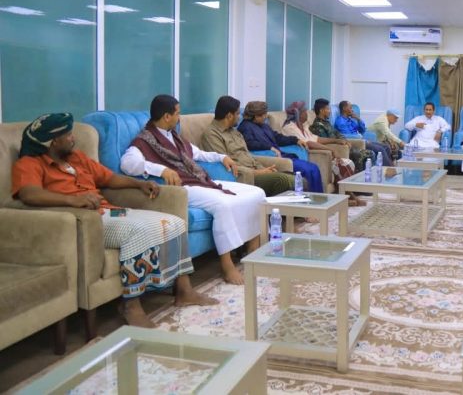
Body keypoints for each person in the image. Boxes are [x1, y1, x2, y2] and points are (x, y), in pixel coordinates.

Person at [12, 113, 217, 327]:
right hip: (88, 221)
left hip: (110, 212)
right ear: (54, 141)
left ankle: (184, 291)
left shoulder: (76, 158)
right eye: (68, 135)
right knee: (137, 231)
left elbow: (109, 178)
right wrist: (73, 200)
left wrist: (138, 184)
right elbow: (29, 194)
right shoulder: (30, 163)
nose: (73, 138)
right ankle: (131, 306)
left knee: (174, 222)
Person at [121, 94, 267, 285]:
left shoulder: (174, 136)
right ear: (166, 116)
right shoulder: (144, 140)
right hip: (181, 188)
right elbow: (127, 163)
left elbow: (197, 153)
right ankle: (227, 265)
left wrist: (221, 157)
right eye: (177, 113)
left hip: (198, 179)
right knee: (223, 205)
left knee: (256, 193)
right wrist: (161, 170)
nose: (179, 117)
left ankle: (253, 249)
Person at [235, 99, 324, 193]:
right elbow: (249, 143)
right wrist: (269, 147)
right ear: (255, 116)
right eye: (263, 114)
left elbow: (277, 137)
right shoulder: (245, 127)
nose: (265, 116)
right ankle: (310, 198)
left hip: (282, 155)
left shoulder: (264, 126)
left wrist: (295, 140)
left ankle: (317, 197)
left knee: (313, 167)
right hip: (271, 157)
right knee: (308, 170)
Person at [309, 98, 372, 171]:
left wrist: (344, 140)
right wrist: (338, 141)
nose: (330, 112)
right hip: (338, 149)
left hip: (343, 146)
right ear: (321, 110)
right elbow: (325, 141)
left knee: (370, 153)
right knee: (367, 154)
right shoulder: (318, 125)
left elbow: (338, 133)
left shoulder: (326, 122)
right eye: (328, 109)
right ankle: (360, 176)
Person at [334, 100, 393, 166]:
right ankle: (388, 169)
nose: (352, 109)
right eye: (350, 107)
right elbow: (347, 136)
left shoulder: (351, 120)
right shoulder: (340, 121)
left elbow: (362, 130)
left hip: (361, 140)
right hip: (354, 142)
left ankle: (390, 167)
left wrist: (358, 119)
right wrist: (362, 139)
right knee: (380, 149)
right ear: (344, 108)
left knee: (386, 147)